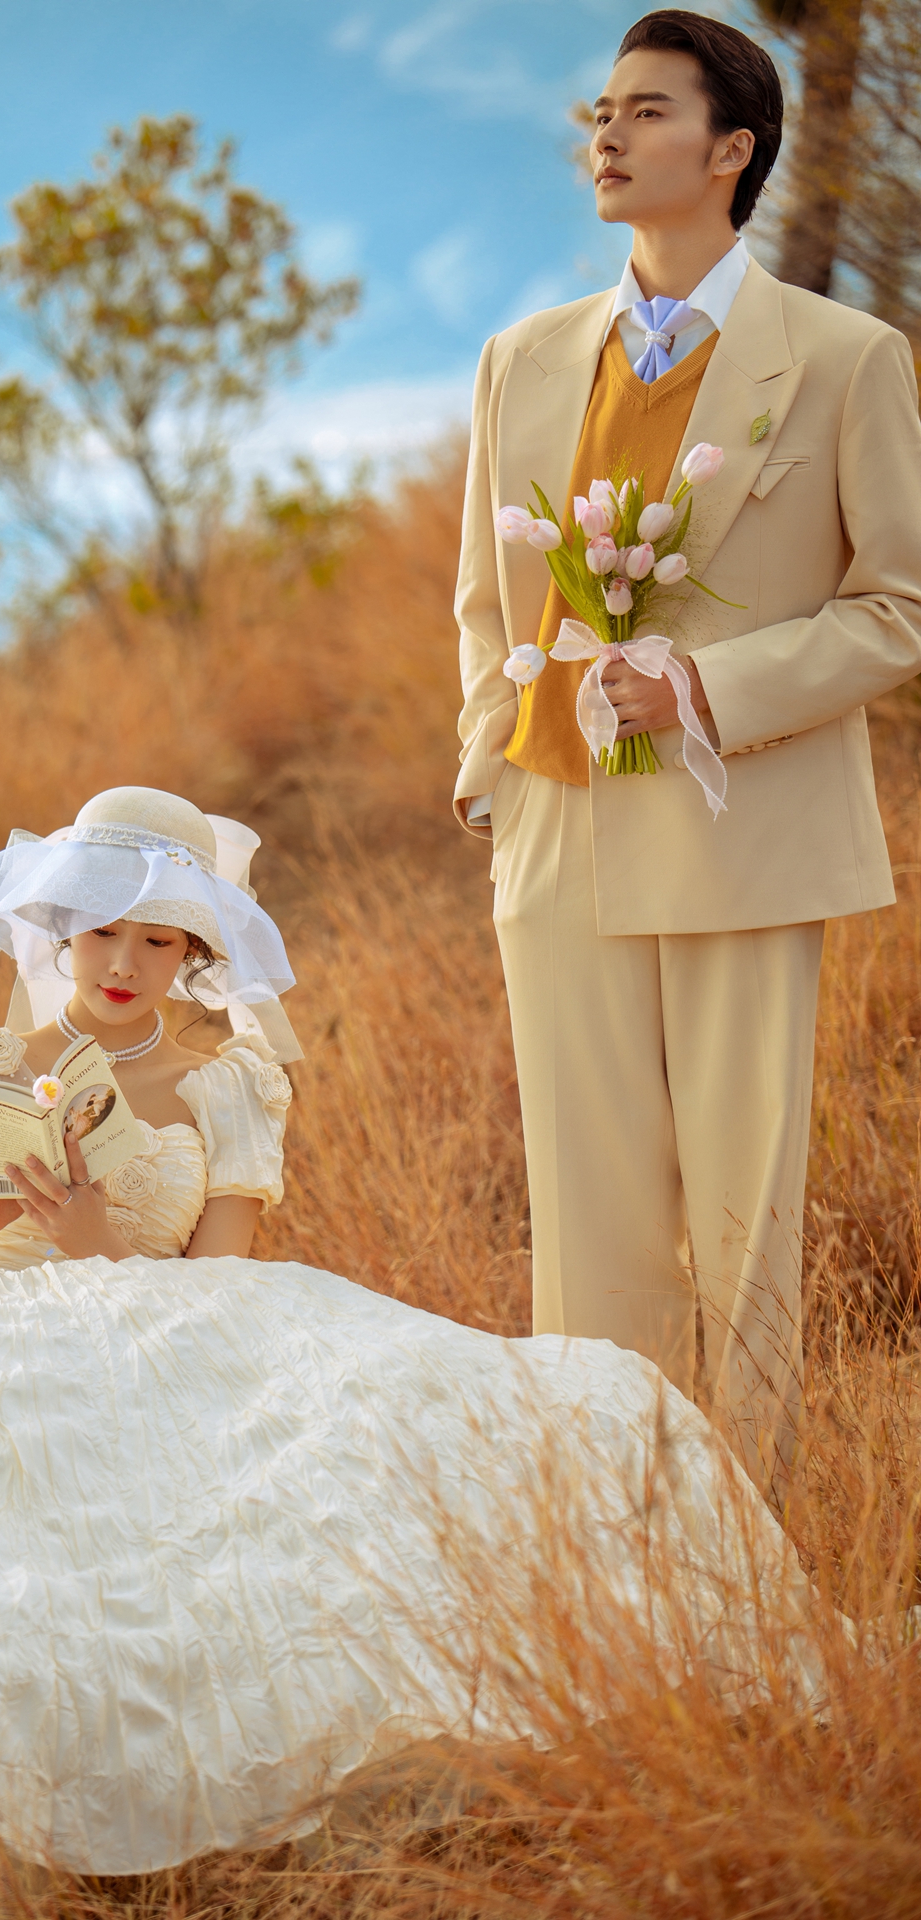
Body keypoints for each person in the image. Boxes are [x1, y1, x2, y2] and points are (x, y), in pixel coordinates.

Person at [0, 787, 821, 1906]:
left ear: (193, 954)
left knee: (566, 1413)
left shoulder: (227, 1087)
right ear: (59, 928)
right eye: (101, 932)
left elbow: (223, 1288)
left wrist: (95, 1238)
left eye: (157, 942)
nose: (121, 966)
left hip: (155, 1345)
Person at [452, 10, 921, 1500]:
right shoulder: (520, 359)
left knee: (739, 1223)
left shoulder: (847, 359)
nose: (607, 132)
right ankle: (611, 1542)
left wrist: (706, 688)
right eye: (602, 109)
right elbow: (484, 598)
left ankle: (751, 1558)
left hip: (741, 834)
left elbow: (899, 605)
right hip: (557, 840)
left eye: (647, 111)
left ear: (732, 152)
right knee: (587, 1226)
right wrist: (493, 757)